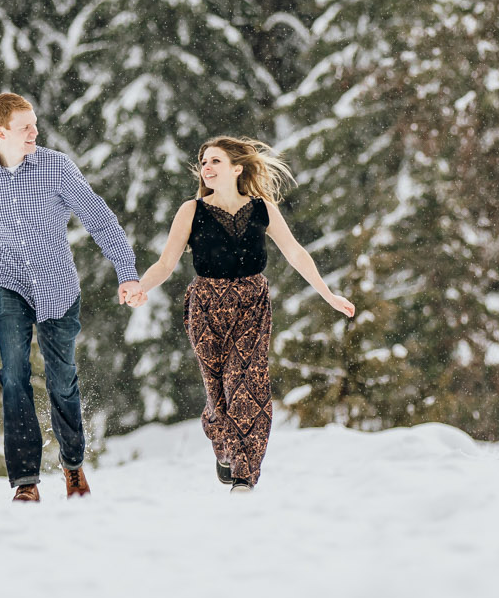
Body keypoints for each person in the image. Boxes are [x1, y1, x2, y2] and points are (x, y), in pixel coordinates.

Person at [0, 93, 143, 503]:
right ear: (0, 133)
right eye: (25, 127)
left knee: (61, 379)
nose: (35, 132)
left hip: (57, 285)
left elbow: (99, 218)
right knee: (13, 375)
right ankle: (26, 481)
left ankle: (73, 466)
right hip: (7, 282)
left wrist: (126, 272)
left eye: (34, 124)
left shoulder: (56, 168)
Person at [124, 137, 354, 492]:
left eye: (215, 161)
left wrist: (327, 293)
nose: (207, 168)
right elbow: (166, 263)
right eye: (203, 162)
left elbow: (295, 253)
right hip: (205, 307)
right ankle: (224, 446)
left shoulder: (262, 209)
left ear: (237, 168)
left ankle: (244, 477)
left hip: (252, 304)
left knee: (248, 386)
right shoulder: (192, 210)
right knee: (218, 395)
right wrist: (141, 286)